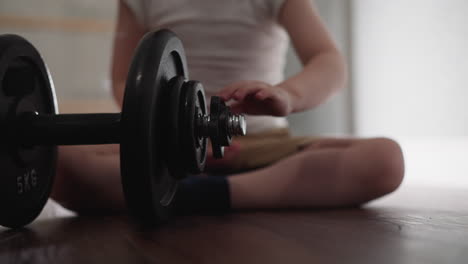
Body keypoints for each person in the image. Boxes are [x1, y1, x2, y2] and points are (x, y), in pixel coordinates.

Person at [51, 0, 404, 214]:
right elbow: (123, 82)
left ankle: (194, 194)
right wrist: (177, 135)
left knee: (385, 160)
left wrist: (288, 95)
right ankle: (191, 187)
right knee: (56, 163)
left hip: (263, 143)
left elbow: (329, 62)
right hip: (166, 147)